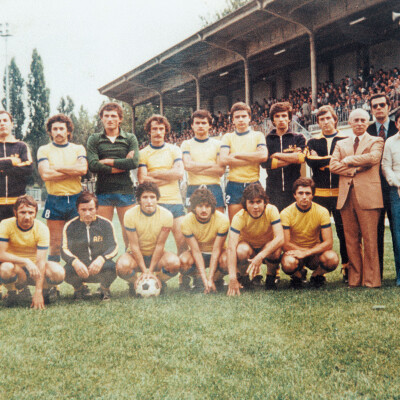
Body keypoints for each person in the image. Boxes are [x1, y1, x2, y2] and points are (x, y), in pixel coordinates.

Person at [330, 108, 384, 288]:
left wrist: (349, 160)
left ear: (368, 123)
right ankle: (354, 279)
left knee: (370, 239)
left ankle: (371, 280)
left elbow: (374, 158)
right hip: (346, 197)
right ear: (350, 123)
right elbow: (333, 165)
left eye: (363, 120)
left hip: (369, 196)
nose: (360, 123)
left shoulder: (376, 140)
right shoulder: (341, 143)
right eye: (356, 120)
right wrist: (353, 169)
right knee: (351, 240)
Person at [87, 102, 139, 248]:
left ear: (120, 119)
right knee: (102, 231)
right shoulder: (94, 139)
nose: (110, 119)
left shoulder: (129, 138)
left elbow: (133, 162)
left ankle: (130, 264)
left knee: (129, 231)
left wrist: (108, 161)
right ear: (102, 119)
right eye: (106, 116)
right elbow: (93, 165)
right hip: (103, 191)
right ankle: (104, 264)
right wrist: (121, 165)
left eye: (113, 116)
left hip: (125, 191)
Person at [306, 105, 349, 282]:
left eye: (328, 118)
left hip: (341, 193)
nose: (325, 122)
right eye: (322, 119)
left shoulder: (345, 139)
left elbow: (347, 163)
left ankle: (348, 268)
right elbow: (311, 161)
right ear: (318, 122)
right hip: (320, 195)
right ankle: (319, 271)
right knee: (318, 234)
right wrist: (335, 161)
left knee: (343, 232)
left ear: (335, 119)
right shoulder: (312, 142)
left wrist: (324, 162)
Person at [38, 114, 87, 265]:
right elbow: (46, 174)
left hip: (76, 199)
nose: (58, 132)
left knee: (78, 243)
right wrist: (72, 171)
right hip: (55, 199)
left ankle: (80, 286)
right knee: (55, 243)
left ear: (68, 131)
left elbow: (83, 169)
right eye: (55, 129)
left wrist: (57, 168)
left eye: (61, 129)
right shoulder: (44, 150)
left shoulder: (78, 148)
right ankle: (54, 285)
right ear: (50, 131)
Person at [116, 182, 181, 295]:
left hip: (157, 255)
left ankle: (158, 281)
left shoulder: (166, 215)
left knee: (174, 263)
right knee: (122, 266)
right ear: (139, 200)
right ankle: (136, 283)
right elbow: (134, 246)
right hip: (135, 255)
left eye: (152, 197)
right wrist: (144, 271)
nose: (149, 201)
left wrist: (150, 271)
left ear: (157, 199)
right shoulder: (130, 215)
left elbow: (160, 245)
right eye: (145, 197)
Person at [0, 195, 64, 308]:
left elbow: (40, 261)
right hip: (15, 268)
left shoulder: (42, 228)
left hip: (35, 270)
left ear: (35, 213)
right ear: (15, 212)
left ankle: (45, 292)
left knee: (58, 272)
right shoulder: (5, 224)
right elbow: (1, 254)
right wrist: (25, 261)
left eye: (30, 212)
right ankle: (12, 292)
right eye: (22, 212)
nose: (27, 216)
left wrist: (38, 291)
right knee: (5, 268)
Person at [138, 115, 186, 253]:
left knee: (182, 242)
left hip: (175, 202)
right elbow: (142, 180)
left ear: (166, 131)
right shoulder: (143, 153)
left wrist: (153, 174)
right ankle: (154, 274)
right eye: (154, 129)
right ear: (149, 131)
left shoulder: (174, 149)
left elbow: (179, 173)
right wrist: (169, 175)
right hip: (154, 203)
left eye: (161, 129)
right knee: (153, 245)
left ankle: (185, 274)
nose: (158, 132)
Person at [227, 183, 284, 296]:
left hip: (265, 248)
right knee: (241, 250)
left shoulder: (272, 210)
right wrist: (232, 277)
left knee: (276, 249)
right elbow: (231, 248)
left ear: (264, 202)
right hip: (249, 248)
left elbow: (280, 238)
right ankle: (244, 277)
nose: (255, 206)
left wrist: (261, 256)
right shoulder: (239, 217)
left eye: (259, 202)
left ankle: (270, 277)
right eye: (251, 202)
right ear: (245, 203)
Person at [280, 178, 338, 288]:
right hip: (295, 253)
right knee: (288, 264)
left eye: (308, 193)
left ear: (312, 195)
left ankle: (316, 276)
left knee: (332, 258)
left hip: (313, 255)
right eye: (300, 193)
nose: (304, 197)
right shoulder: (286, 213)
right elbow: (285, 244)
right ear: (294, 195)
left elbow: (328, 243)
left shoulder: (322, 211)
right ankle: (297, 276)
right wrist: (302, 252)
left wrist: (307, 253)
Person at [61, 192, 119, 301]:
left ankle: (104, 288)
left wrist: (102, 259)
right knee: (66, 271)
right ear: (77, 210)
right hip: (80, 267)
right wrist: (75, 262)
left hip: (100, 266)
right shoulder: (70, 226)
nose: (87, 213)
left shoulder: (106, 224)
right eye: (83, 210)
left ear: (96, 209)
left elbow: (114, 246)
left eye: (91, 209)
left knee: (113, 268)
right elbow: (64, 249)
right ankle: (79, 289)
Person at [219, 102, 268, 221]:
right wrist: (252, 158)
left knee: (257, 224)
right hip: (234, 185)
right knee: (235, 224)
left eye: (244, 116)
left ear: (249, 118)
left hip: (253, 183)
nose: (241, 119)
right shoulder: (228, 137)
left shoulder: (258, 135)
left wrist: (237, 155)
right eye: (237, 117)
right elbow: (223, 159)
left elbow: (263, 156)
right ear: (232, 120)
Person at [367, 93, 398, 278]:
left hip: (395, 189)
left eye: (382, 105)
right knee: (375, 233)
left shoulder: (397, 128)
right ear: (371, 109)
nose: (378, 108)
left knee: (397, 232)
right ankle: (376, 274)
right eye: (375, 106)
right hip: (373, 189)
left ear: (388, 106)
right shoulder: (367, 130)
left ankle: (399, 274)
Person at [180, 187, 229, 293]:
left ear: (212, 207)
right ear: (193, 207)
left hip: (216, 253)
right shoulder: (186, 221)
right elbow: (195, 251)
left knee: (228, 260)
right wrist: (203, 277)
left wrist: (210, 278)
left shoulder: (222, 220)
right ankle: (199, 280)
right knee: (183, 261)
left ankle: (216, 280)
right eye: (200, 206)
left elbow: (216, 250)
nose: (203, 210)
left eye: (207, 206)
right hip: (199, 253)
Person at [262, 102, 306, 212]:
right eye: (277, 116)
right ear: (272, 120)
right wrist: (292, 158)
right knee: (276, 225)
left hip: (294, 189)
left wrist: (277, 155)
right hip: (273, 191)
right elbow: (265, 163)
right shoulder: (266, 140)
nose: (281, 119)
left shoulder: (298, 138)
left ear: (289, 118)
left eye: (284, 116)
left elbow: (301, 158)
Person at [181, 110, 225, 212]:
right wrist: (211, 165)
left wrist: (195, 168)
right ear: (192, 125)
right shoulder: (186, 144)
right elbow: (187, 165)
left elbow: (220, 170)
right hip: (193, 187)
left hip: (214, 187)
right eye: (197, 123)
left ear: (210, 125)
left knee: (218, 223)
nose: (200, 126)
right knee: (193, 224)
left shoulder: (218, 144)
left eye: (204, 123)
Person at [0, 110, 33, 221]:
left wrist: (3, 171)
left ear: (11, 124)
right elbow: (19, 166)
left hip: (17, 203)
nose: (2, 123)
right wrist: (12, 161)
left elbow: (28, 168)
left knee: (16, 238)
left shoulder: (21, 146)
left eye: (5, 120)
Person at [381, 110, 400, 286]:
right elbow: (386, 165)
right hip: (397, 191)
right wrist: (396, 183)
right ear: (397, 124)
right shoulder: (390, 142)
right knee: (398, 234)